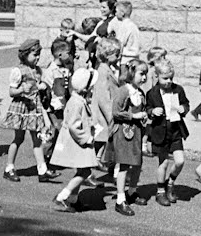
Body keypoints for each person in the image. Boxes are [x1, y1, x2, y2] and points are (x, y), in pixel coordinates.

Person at [2, 38, 58, 183]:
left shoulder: (38, 70)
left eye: (39, 54)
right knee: (18, 138)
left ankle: (42, 169)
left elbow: (38, 88)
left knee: (37, 139)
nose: (37, 57)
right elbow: (11, 91)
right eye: (34, 54)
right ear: (24, 55)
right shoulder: (18, 70)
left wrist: (42, 86)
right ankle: (9, 167)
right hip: (21, 108)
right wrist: (21, 89)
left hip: (34, 107)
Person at [51, 68, 99, 212]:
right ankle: (63, 196)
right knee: (85, 172)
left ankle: (73, 199)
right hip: (77, 141)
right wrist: (86, 138)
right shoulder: (77, 103)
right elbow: (74, 126)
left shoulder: (78, 100)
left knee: (82, 169)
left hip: (78, 140)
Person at [146, 58, 189, 207]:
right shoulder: (152, 93)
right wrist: (152, 111)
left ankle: (170, 183)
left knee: (180, 161)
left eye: (171, 78)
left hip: (175, 131)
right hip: (160, 132)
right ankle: (160, 192)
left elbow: (186, 103)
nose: (169, 81)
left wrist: (184, 108)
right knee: (163, 163)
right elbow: (147, 109)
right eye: (165, 78)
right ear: (157, 76)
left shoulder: (178, 89)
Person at [111, 59, 150, 215]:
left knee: (138, 162)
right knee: (124, 165)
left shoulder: (140, 93)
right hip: (124, 132)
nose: (144, 78)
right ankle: (120, 199)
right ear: (132, 73)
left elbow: (143, 109)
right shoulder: (123, 91)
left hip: (137, 133)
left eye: (146, 74)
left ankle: (132, 191)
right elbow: (116, 112)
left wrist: (145, 116)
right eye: (141, 74)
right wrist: (133, 116)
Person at [90, 36, 121, 181]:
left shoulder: (108, 69)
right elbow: (103, 97)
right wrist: (111, 116)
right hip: (102, 114)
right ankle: (88, 172)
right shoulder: (103, 71)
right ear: (108, 55)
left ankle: (95, 168)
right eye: (117, 53)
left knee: (101, 143)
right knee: (98, 144)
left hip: (104, 114)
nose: (119, 56)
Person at [42, 38, 74, 163]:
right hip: (54, 107)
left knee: (61, 132)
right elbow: (46, 92)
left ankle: (55, 155)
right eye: (68, 52)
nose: (70, 55)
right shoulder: (51, 71)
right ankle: (45, 156)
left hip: (64, 105)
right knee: (54, 132)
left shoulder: (66, 69)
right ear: (60, 54)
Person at [110, 1, 141, 66]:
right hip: (134, 59)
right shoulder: (133, 25)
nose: (115, 14)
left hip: (126, 60)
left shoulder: (125, 26)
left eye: (116, 11)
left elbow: (119, 44)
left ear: (122, 13)